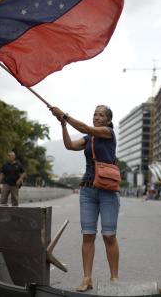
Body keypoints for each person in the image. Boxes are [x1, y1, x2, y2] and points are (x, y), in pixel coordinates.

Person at [50, 105, 119, 291]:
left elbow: (85, 128)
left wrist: (65, 114)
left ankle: (114, 280)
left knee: (109, 236)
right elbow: (70, 146)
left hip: (107, 191)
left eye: (101, 115)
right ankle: (87, 279)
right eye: (95, 114)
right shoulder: (88, 139)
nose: (96, 117)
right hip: (87, 190)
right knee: (87, 235)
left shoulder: (108, 133)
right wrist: (63, 125)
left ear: (108, 121)